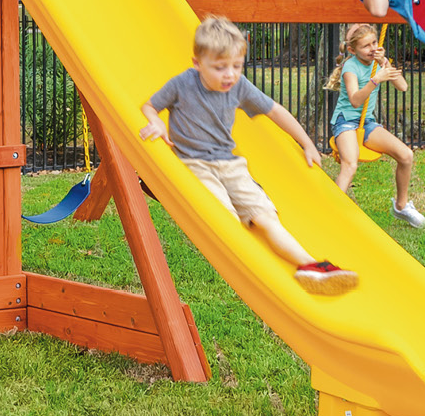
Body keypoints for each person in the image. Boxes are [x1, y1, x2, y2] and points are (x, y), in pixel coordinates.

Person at [140, 16, 359, 295]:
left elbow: (275, 110)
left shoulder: (238, 85)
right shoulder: (182, 84)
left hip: (231, 166)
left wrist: (306, 142)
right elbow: (150, 106)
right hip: (195, 165)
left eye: (236, 66)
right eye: (220, 67)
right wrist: (157, 122)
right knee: (224, 217)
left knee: (265, 217)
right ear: (197, 63)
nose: (229, 75)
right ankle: (257, 274)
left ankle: (311, 265)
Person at [325, 23, 425, 227]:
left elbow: (403, 87)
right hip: (346, 122)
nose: (372, 48)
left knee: (406, 155)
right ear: (352, 50)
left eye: (374, 43)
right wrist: (375, 80)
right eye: (366, 46)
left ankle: (401, 206)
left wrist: (384, 64)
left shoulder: (378, 62)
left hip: (367, 123)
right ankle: (329, 213)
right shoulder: (350, 67)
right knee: (350, 164)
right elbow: (355, 100)